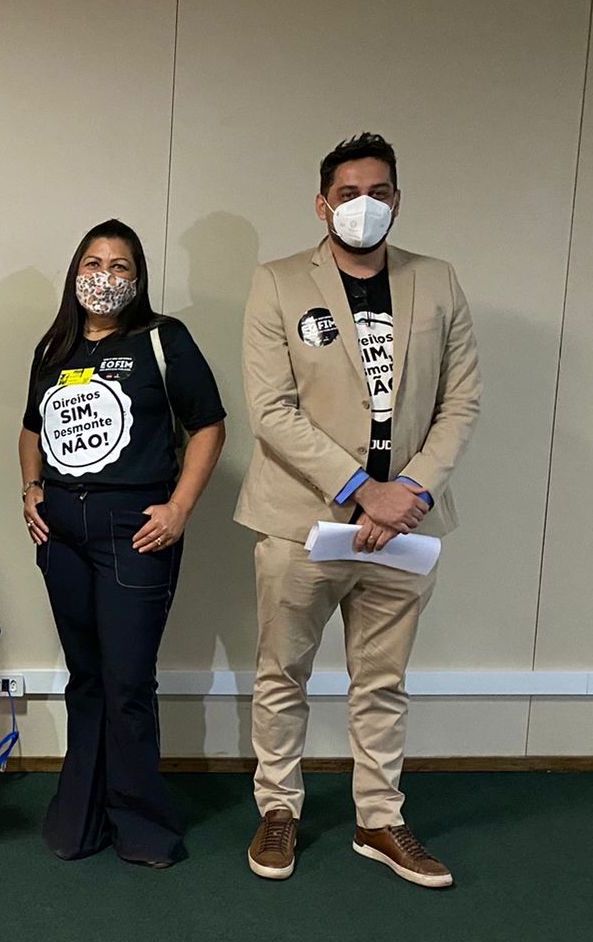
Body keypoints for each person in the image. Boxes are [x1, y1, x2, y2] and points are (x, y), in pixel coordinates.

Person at [236, 133, 482, 887]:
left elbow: (460, 401)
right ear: (323, 204)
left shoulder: (436, 280)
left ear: (397, 200)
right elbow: (271, 410)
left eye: (378, 192)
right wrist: (360, 488)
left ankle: (379, 818)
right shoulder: (278, 283)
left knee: (381, 680)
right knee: (283, 673)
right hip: (301, 520)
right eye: (348, 194)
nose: (363, 206)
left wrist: (409, 492)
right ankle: (278, 809)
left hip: (403, 527)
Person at [19, 219, 226, 866]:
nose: (103, 277)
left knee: (127, 679)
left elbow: (209, 425)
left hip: (132, 530)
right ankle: (80, 816)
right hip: (61, 535)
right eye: (93, 263)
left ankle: (141, 824)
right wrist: (31, 488)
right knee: (86, 677)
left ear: (137, 279)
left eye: (118, 266)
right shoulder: (53, 347)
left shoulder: (162, 339)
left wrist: (179, 507)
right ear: (74, 271)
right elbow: (31, 429)